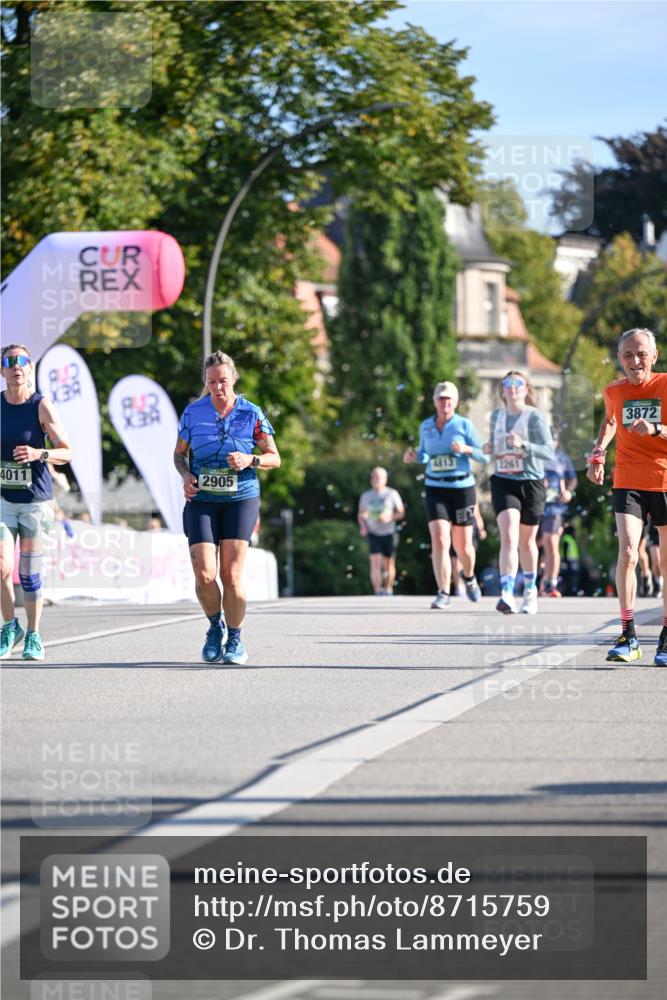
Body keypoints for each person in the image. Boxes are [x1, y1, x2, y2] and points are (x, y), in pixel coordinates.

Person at [174, 350, 280, 665]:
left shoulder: (251, 413)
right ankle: (214, 627)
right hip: (202, 500)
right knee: (205, 574)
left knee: (231, 575)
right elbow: (179, 454)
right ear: (205, 382)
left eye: (222, 381)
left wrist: (250, 459)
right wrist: (186, 475)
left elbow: (275, 457)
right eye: (211, 382)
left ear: (233, 378)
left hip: (240, 499)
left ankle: (235, 639)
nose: (218, 388)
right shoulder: (193, 413)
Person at [586, 328, 667, 665]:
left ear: (654, 356)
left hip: (664, 480)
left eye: (642, 354)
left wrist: (657, 429)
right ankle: (628, 635)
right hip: (628, 479)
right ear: (620, 359)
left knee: (665, 562)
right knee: (629, 552)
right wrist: (598, 454)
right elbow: (610, 421)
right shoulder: (614, 391)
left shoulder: (665, 386)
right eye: (628, 355)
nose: (635, 361)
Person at [0, 345, 73, 660]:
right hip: (3, 499)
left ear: (30, 367)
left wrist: (38, 453)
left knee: (29, 575)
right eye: (9, 361)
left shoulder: (41, 406)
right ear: (2, 370)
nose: (16, 366)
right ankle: (9, 626)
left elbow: (67, 451)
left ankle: (33, 634)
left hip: (35, 502)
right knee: (1, 566)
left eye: (22, 361)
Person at [403, 381, 488, 609]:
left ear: (456, 402)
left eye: (448, 399)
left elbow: (485, 455)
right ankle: (443, 592)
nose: (445, 403)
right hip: (435, 488)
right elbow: (425, 454)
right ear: (435, 401)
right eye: (441, 399)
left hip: (462, 488)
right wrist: (414, 456)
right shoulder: (426, 426)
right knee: (440, 538)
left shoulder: (464, 425)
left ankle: (469, 576)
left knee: (463, 545)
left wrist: (466, 449)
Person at [485, 371, 554, 615]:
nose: (512, 387)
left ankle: (530, 591)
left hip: (531, 483)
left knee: (526, 542)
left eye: (517, 383)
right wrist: (489, 448)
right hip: (504, 481)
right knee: (508, 535)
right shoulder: (496, 416)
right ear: (502, 390)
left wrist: (523, 445)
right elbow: (494, 448)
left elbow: (548, 451)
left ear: (526, 389)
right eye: (508, 383)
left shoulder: (534, 417)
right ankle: (506, 593)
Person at [540, 431, 577, 597]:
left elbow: (572, 478)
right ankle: (534, 580)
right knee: (532, 544)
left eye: (553, 440)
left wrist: (568, 491)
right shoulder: (536, 454)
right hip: (536, 505)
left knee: (551, 543)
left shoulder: (562, 458)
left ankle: (551, 582)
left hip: (554, 507)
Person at [358, 467, 405, 595]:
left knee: (388, 563)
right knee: (375, 562)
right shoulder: (366, 495)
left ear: (385, 479)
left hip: (389, 533)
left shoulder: (392, 493)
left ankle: (388, 589)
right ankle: (377, 590)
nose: (375, 479)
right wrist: (363, 526)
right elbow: (361, 514)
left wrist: (390, 517)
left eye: (378, 477)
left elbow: (401, 513)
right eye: (373, 476)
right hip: (373, 533)